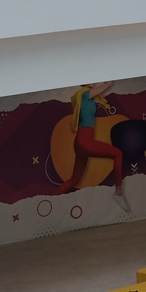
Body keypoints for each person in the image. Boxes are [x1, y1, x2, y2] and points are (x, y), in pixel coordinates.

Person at [55, 81, 130, 212]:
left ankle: (51, 199)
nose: (93, 81)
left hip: (80, 142)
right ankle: (118, 193)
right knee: (118, 154)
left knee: (74, 180)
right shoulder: (86, 93)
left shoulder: (83, 96)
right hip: (85, 141)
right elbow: (106, 85)